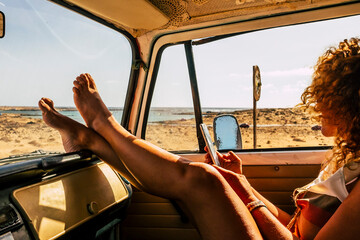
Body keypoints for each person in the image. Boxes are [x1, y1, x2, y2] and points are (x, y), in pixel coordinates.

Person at [38, 38, 360, 240]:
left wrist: (245, 198)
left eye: (327, 96)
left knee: (204, 178)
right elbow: (298, 228)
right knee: (209, 178)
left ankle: (102, 126)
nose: (316, 104)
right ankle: (92, 139)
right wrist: (242, 184)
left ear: (351, 103)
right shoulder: (348, 161)